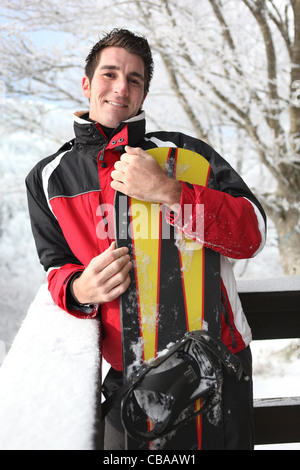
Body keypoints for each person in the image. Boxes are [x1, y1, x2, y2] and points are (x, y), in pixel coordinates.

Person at [26, 28, 266, 450]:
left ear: (143, 94)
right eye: (109, 73)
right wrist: (81, 288)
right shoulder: (48, 178)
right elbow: (56, 267)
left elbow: (251, 234)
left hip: (219, 367)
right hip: (130, 376)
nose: (121, 87)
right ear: (86, 83)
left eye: (134, 79)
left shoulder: (186, 156)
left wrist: (170, 191)